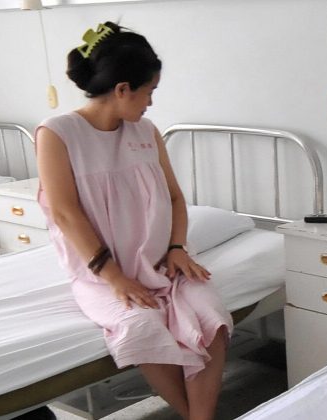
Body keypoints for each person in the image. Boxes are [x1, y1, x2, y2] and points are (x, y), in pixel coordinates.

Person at [35, 21, 233, 420]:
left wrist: (177, 247)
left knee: (213, 318)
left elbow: (176, 198)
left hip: (162, 265)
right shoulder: (58, 133)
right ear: (123, 89)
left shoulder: (145, 132)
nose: (151, 103)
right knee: (141, 327)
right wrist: (115, 278)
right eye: (149, 91)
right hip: (101, 275)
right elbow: (65, 213)